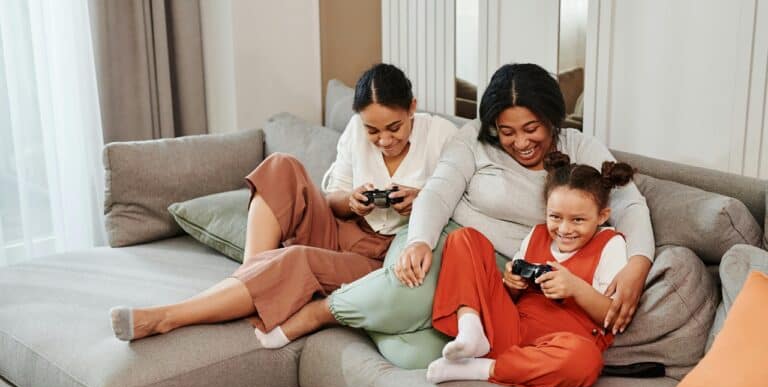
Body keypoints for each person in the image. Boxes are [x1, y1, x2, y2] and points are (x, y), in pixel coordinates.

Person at [253, 63, 654, 369]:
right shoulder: (473, 140)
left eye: (531, 128)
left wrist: (637, 265)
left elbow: (629, 204)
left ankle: (367, 312)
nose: (520, 142)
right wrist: (420, 242)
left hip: (499, 271)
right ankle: (319, 313)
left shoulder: (582, 148)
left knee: (413, 355)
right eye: (506, 131)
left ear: (553, 118)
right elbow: (439, 191)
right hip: (447, 237)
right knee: (403, 293)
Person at [108, 63, 458, 342]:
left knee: (296, 259)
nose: (383, 140)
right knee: (280, 165)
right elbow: (331, 199)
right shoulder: (355, 129)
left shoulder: (442, 136)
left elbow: (461, 202)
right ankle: (248, 278)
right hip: (342, 228)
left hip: (377, 258)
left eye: (394, 128)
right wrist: (351, 202)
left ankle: (166, 318)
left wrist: (422, 200)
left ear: (412, 107)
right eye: (372, 130)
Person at [425, 152, 633, 387]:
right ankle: (470, 329)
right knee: (464, 238)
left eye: (577, 220)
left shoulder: (610, 243)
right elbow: (510, 296)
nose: (564, 229)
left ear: (602, 216)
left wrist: (575, 287)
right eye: (555, 217)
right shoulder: (537, 234)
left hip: (557, 347)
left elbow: (613, 315)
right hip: (511, 329)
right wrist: (512, 285)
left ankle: (483, 369)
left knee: (585, 361)